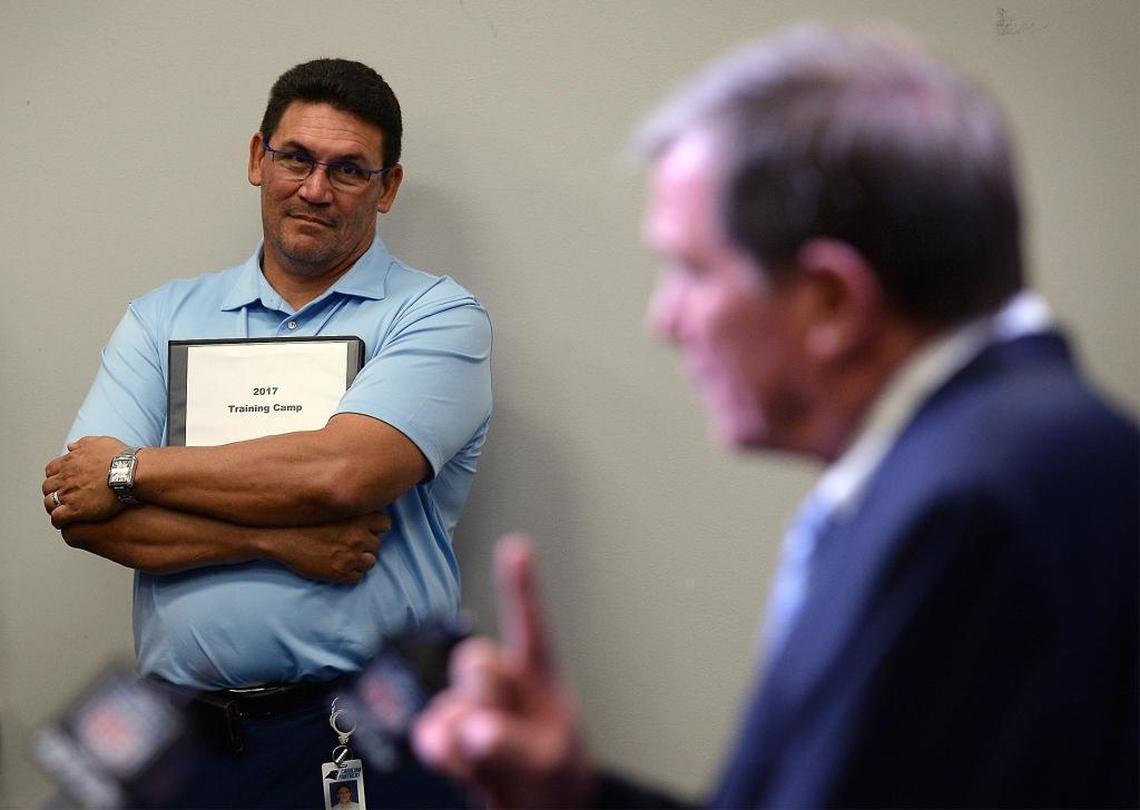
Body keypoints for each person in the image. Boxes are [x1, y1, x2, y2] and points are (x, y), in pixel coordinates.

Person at [411, 23, 1138, 809]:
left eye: (691, 269)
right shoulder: (1016, 451)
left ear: (831, 301)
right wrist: (574, 797)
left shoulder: (968, 509)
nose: (666, 319)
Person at [40, 58, 490, 807]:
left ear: (389, 187)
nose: (316, 189)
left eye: (349, 170)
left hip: (365, 731)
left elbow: (343, 473)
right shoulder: (161, 319)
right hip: (182, 735)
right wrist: (276, 540)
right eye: (297, 159)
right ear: (259, 159)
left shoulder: (436, 316)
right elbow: (85, 516)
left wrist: (130, 470)